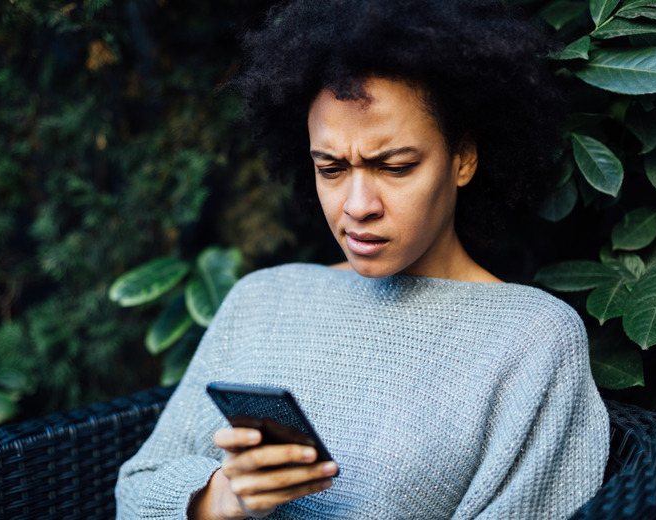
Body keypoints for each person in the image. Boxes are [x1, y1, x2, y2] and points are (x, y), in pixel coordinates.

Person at [115, 0, 610, 518]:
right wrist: (220, 496)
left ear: (463, 157)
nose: (357, 207)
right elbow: (135, 494)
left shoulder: (529, 339)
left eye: (394, 167)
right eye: (330, 168)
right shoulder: (264, 299)